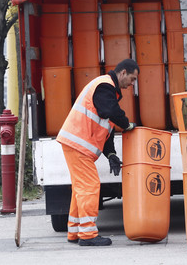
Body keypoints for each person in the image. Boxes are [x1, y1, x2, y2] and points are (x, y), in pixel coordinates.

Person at [56, 58, 139, 246]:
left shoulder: (107, 91)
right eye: (132, 79)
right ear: (123, 73)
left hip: (75, 143)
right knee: (90, 187)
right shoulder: (105, 86)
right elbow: (111, 111)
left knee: (80, 188)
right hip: (78, 144)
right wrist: (127, 125)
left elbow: (106, 127)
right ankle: (88, 235)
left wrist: (111, 155)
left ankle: (75, 232)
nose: (132, 84)